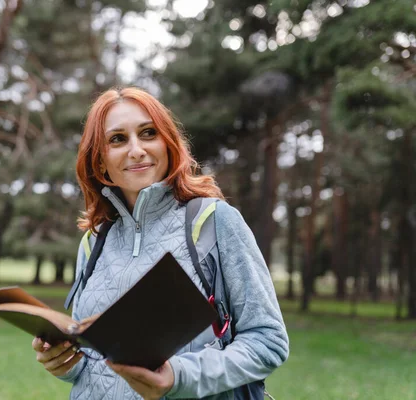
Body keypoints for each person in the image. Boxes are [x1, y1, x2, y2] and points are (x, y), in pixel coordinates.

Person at [31, 86, 289, 400]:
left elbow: (268, 341)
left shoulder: (213, 221)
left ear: (167, 144)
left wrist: (177, 377)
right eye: (118, 139)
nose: (136, 149)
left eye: (148, 133)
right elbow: (98, 362)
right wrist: (65, 364)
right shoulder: (94, 240)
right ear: (100, 161)